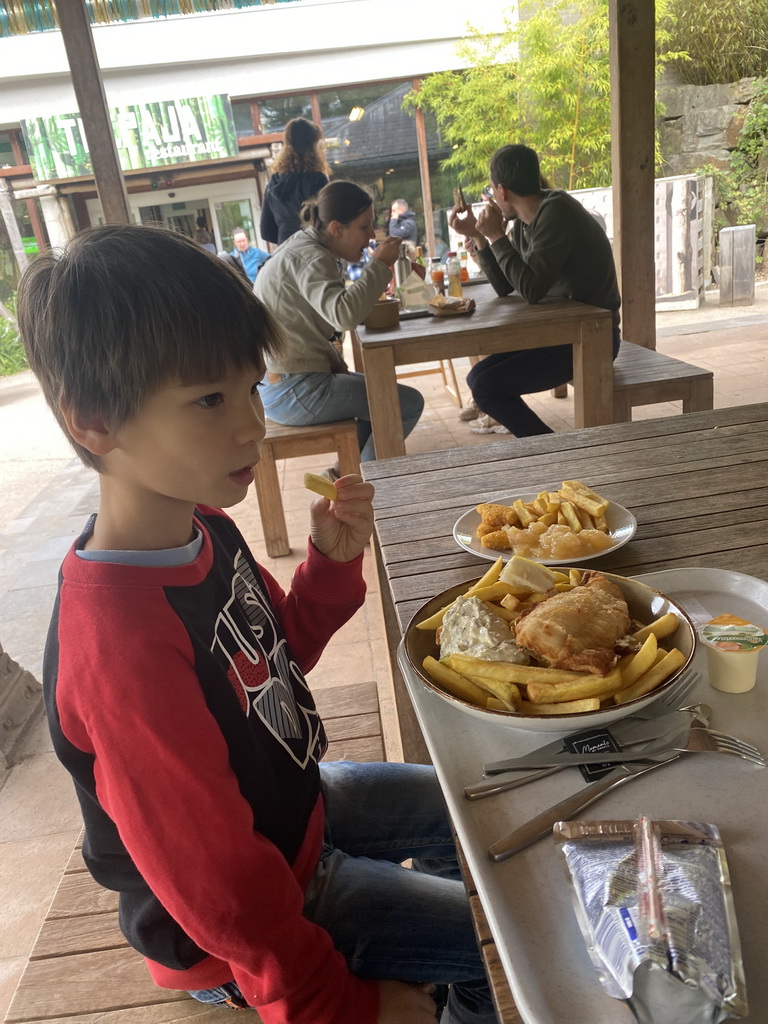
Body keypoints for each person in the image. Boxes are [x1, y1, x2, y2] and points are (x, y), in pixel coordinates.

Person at [16, 224, 498, 1024]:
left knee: (479, 806)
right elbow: (222, 888)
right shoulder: (120, 650)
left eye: (250, 389)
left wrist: (329, 563)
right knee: (499, 940)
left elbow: (278, 660)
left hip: (295, 814)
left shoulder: (202, 525)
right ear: (94, 421)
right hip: (247, 919)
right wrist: (342, 1006)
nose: (252, 425)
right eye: (209, 400)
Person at [450, 144, 621, 437]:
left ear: (502, 191)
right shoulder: (524, 224)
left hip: (591, 341)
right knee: (478, 378)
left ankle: (550, 450)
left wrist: (494, 234)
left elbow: (531, 290)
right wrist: (480, 236)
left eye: (491, 191)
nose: (492, 197)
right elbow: (508, 286)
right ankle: (547, 447)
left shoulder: (557, 211)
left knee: (485, 387)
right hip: (560, 336)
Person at [255, 180, 425, 462]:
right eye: (364, 226)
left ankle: (343, 477)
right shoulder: (312, 257)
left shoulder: (308, 246)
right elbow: (344, 314)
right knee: (405, 404)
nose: (372, 234)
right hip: (293, 390)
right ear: (336, 228)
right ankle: (368, 485)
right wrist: (380, 265)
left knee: (380, 402)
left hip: (283, 383)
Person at [260, 117, 330, 245]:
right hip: (312, 250)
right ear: (313, 145)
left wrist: (288, 241)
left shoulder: (274, 182)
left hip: (285, 254)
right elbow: (328, 223)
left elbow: (266, 231)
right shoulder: (318, 180)